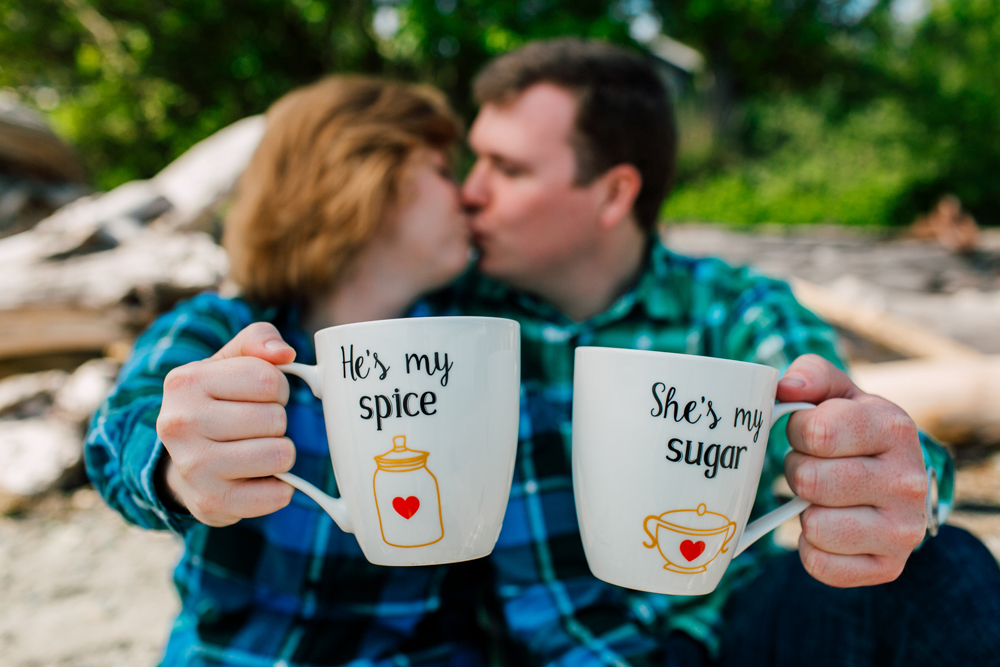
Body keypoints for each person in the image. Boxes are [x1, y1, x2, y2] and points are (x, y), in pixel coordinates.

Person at [421, 38, 1000, 666]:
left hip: (726, 637)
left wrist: (888, 477)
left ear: (614, 195)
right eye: (473, 161)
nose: (468, 191)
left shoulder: (736, 309)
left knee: (945, 566)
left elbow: (854, 435)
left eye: (507, 169)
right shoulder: (441, 315)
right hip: (516, 652)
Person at [86, 75, 489, 666]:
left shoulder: (477, 339)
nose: (468, 196)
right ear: (365, 182)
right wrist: (175, 464)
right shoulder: (221, 327)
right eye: (440, 170)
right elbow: (120, 429)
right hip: (234, 654)